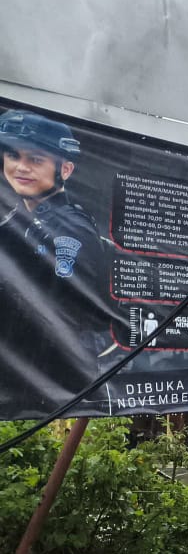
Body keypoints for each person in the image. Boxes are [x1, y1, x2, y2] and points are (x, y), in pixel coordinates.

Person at [0, 109, 109, 414]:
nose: (21, 167)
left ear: (66, 169)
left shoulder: (69, 228)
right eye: (13, 155)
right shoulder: (18, 220)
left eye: (36, 159)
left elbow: (66, 313)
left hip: (48, 387)